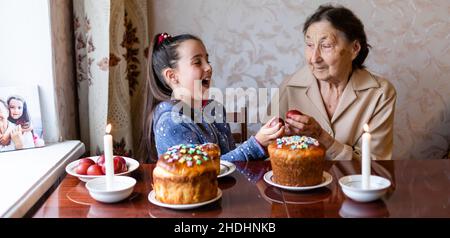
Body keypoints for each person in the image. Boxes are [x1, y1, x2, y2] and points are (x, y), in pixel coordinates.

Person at [276, 4, 396, 160]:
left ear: (354, 48)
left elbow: (376, 165)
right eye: (310, 45)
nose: (314, 58)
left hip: (353, 184)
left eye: (326, 46)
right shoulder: (289, 87)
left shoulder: (380, 93)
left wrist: (323, 138)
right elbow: (267, 152)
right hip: (300, 182)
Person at [141, 33, 284, 163]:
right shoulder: (171, 121)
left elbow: (232, 162)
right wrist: (255, 145)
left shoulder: (214, 110)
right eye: (197, 62)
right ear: (172, 76)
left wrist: (268, 142)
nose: (208, 67)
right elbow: (200, 171)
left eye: (207, 60)